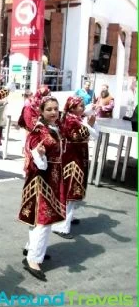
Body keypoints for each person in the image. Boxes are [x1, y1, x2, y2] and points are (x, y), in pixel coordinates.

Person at [20, 96, 67, 281]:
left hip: (53, 178)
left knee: (40, 218)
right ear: (41, 111)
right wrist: (39, 154)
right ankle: (33, 259)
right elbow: (35, 158)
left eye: (56, 108)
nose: (54, 112)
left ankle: (32, 248)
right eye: (49, 109)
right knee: (43, 219)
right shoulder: (38, 132)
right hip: (42, 179)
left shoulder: (54, 128)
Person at [51, 96, 97, 238]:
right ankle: (62, 226)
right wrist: (90, 124)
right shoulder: (71, 120)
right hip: (73, 159)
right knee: (70, 191)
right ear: (72, 107)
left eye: (83, 105)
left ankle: (66, 219)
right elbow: (82, 135)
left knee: (70, 190)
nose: (82, 108)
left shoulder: (72, 117)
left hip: (75, 157)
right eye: (80, 106)